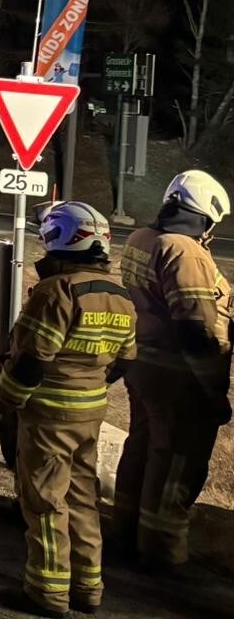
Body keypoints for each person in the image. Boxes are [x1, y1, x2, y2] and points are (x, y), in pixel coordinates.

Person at [0, 202, 136, 617]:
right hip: (91, 412)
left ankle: (48, 591)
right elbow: (125, 358)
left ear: (59, 239)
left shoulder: (57, 292)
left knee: (45, 502)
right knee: (82, 499)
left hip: (48, 415)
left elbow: (31, 359)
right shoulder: (119, 295)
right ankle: (89, 589)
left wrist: (8, 400)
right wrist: (92, 383)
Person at [112, 169, 233, 570]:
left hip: (143, 366)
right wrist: (213, 391)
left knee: (143, 448)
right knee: (178, 461)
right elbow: (195, 328)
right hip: (180, 376)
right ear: (206, 214)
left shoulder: (141, 238)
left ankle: (124, 532)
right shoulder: (186, 252)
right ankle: (161, 552)